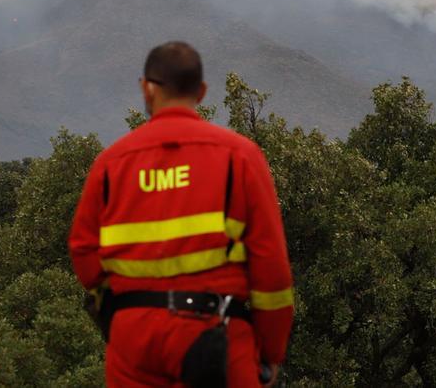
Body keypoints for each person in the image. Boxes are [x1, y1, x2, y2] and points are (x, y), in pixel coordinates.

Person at [69, 41, 294, 387]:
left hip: (133, 342)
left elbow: (83, 250)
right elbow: (272, 269)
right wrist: (271, 352)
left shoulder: (111, 164)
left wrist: (123, 313)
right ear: (201, 92)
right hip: (217, 337)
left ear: (146, 87)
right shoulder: (239, 156)